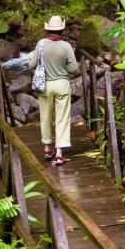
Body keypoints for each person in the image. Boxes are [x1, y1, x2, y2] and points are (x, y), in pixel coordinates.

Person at [27, 15, 79, 165]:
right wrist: (63, 67)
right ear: (62, 30)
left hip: (45, 86)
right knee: (62, 118)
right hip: (62, 85)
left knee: (46, 116)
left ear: (47, 29)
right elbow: (74, 69)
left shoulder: (41, 44)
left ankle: (47, 148)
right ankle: (59, 153)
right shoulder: (66, 46)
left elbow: (30, 64)